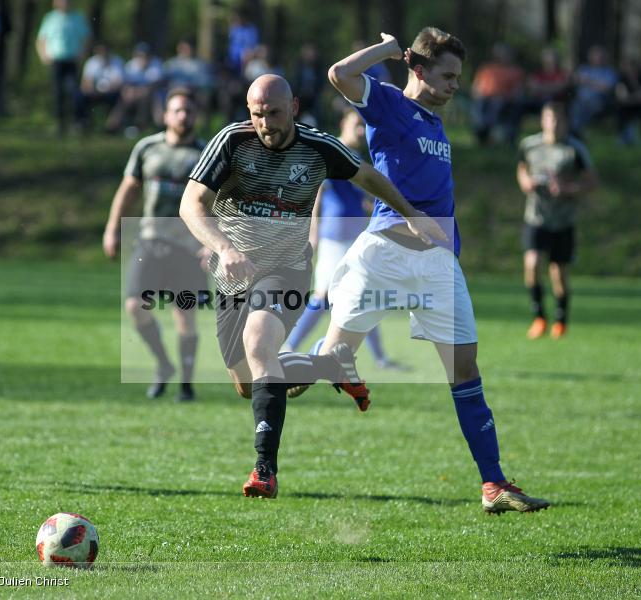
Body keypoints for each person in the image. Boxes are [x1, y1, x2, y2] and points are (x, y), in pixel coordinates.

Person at [179, 74, 445, 499]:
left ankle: (264, 470)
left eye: (274, 113)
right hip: (234, 273)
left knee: (259, 345)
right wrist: (223, 247)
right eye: (257, 114)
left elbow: (367, 176)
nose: (265, 123)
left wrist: (410, 214)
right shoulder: (231, 141)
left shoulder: (318, 147)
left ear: (294, 108)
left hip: (286, 269)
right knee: (247, 383)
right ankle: (328, 365)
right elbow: (191, 203)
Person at [326, 29, 551, 513]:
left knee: (466, 370)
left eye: (458, 77)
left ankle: (494, 485)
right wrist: (387, 50)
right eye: (447, 75)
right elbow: (340, 74)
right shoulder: (388, 103)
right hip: (388, 251)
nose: (455, 85)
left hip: (437, 264)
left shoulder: (434, 123)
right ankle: (265, 395)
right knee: (327, 360)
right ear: (419, 69)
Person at [283, 107, 407, 373]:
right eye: (356, 125)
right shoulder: (332, 152)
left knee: (364, 294)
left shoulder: (356, 157)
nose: (361, 131)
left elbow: (362, 196)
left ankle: (381, 358)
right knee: (324, 295)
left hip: (356, 235)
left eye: (364, 126)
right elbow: (315, 194)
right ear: (343, 123)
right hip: (334, 235)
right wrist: (312, 233)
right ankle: (289, 347)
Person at [103, 88, 207, 402]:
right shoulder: (147, 148)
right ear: (165, 115)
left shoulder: (206, 153)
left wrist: (212, 243)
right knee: (135, 306)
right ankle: (163, 363)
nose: (183, 116)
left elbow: (221, 200)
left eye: (188, 111)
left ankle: (186, 385)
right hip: (150, 240)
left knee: (184, 314)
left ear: (196, 116)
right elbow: (128, 188)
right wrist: (112, 228)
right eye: (177, 110)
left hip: (188, 245)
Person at [516, 102, 598, 340]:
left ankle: (561, 320)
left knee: (558, 273)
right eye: (550, 119)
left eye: (559, 120)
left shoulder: (575, 150)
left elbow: (592, 182)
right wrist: (525, 182)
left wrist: (567, 189)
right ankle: (539, 317)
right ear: (543, 121)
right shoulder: (529, 145)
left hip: (563, 220)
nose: (554, 124)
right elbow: (521, 168)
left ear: (566, 122)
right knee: (532, 263)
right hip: (536, 216)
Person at [35, 0, 91, 135]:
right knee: (57, 92)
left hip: (72, 60)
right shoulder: (50, 18)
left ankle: (78, 122)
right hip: (56, 60)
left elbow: (86, 38)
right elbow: (41, 39)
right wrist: (44, 56)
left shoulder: (77, 18)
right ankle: (60, 123)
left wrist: (82, 54)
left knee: (73, 90)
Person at [470, 42, 525, 146]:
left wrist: (505, 96)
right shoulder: (486, 69)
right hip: (484, 99)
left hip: (504, 100)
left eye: (504, 54)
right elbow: (476, 87)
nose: (501, 56)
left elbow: (517, 91)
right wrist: (478, 94)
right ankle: (481, 130)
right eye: (499, 53)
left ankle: (487, 130)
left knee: (496, 103)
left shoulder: (514, 71)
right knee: (479, 104)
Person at [569, 45, 618, 137]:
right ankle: (575, 131)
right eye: (594, 55)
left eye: (599, 55)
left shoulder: (609, 71)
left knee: (588, 106)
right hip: (580, 100)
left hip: (600, 101)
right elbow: (574, 81)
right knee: (576, 106)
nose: (596, 58)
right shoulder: (584, 68)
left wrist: (588, 81)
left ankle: (579, 131)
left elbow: (608, 87)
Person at [614, 56, 641, 145]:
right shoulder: (621, 78)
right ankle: (622, 136)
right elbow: (621, 97)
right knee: (620, 108)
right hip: (627, 107)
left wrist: (632, 95)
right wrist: (638, 97)